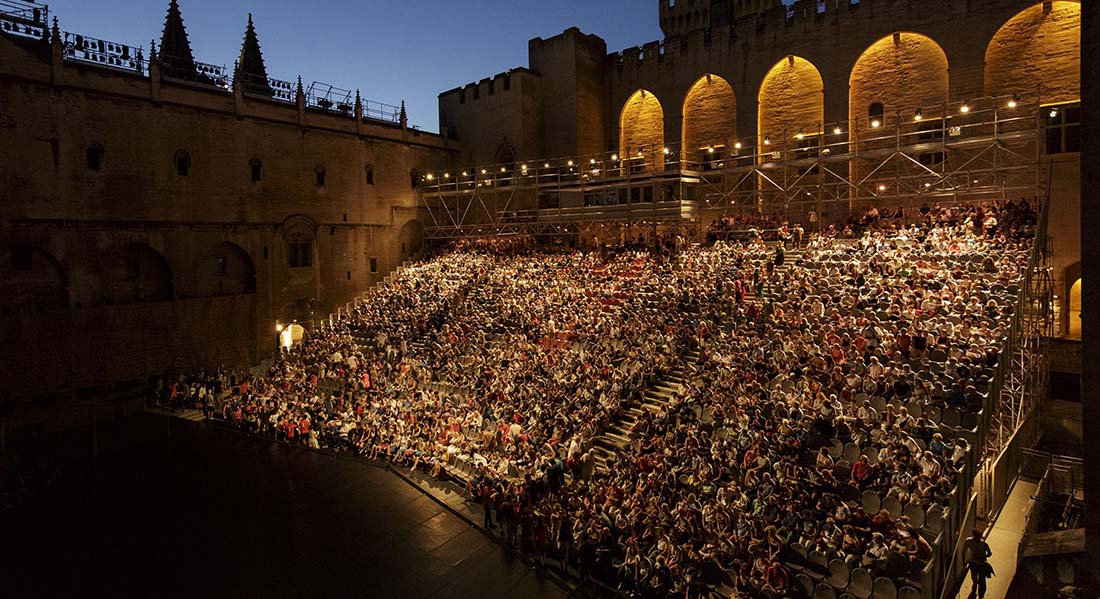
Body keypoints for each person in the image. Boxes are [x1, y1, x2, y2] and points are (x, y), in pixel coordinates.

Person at [963, 529, 993, 599]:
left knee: (980, 580)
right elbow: (963, 551)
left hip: (980, 564)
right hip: (974, 564)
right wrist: (964, 561)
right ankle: (976, 591)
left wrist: (983, 556)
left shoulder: (983, 543)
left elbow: (990, 553)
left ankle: (979, 594)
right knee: (976, 580)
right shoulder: (969, 541)